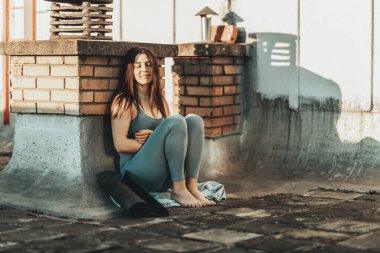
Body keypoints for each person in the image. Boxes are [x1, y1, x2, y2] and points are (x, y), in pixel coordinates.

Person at [110, 47, 215, 208]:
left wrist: (155, 137)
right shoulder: (124, 101)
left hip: (161, 176)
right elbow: (120, 144)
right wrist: (154, 140)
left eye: (148, 64)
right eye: (138, 66)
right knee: (176, 121)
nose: (144, 69)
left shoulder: (159, 100)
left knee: (194, 121)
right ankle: (179, 190)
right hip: (136, 174)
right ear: (130, 70)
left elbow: (173, 139)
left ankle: (191, 186)